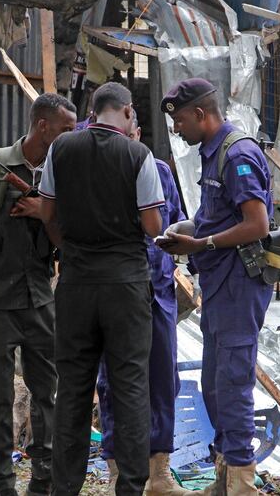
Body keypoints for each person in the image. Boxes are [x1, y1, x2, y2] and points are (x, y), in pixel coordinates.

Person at [38, 82, 165, 495]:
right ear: (127, 113)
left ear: (93, 112)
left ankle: (65, 488)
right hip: (125, 286)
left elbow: (47, 212)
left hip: (74, 284)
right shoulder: (138, 155)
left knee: (73, 387)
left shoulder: (61, 149)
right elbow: (153, 226)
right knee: (130, 386)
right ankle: (130, 487)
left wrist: (69, 246)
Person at [0, 93, 77, 496]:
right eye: (66, 129)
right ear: (43, 126)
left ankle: (43, 479)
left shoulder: (63, 174)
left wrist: (47, 210)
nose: (71, 136)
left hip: (40, 300)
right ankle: (2, 482)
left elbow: (70, 236)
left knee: (46, 395)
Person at [158, 78, 274, 494]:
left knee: (233, 383)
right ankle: (225, 478)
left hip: (241, 287)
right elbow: (220, 218)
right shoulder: (212, 153)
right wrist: (186, 230)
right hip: (220, 287)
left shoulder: (237, 153)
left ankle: (242, 483)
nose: (177, 130)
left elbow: (256, 224)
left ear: (202, 115)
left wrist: (201, 242)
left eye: (181, 121)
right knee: (214, 384)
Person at [96, 111, 187, 496]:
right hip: (114, 291)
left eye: (131, 134)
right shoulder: (96, 175)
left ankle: (160, 474)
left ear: (137, 133)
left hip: (159, 292)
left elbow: (178, 222)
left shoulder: (161, 172)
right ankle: (117, 470)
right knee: (112, 380)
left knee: (163, 379)